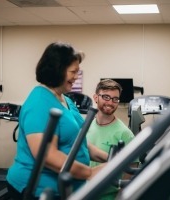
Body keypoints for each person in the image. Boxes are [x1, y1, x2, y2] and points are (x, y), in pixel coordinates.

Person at [6, 42, 108, 200]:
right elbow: (47, 155)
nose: (76, 77)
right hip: (37, 190)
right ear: (57, 70)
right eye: (73, 72)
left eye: (78, 72)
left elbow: (78, 143)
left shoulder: (65, 100)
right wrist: (89, 173)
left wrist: (110, 158)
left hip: (66, 189)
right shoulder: (39, 102)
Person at [86, 79, 138, 200]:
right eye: (106, 97)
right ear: (95, 97)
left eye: (115, 99)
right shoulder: (86, 126)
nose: (111, 102)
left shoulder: (125, 134)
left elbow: (129, 176)